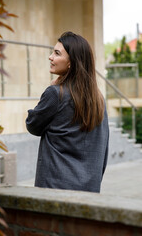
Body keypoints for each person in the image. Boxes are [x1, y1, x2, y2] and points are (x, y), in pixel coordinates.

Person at [26, 31, 109, 193]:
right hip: (89, 190)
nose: (50, 57)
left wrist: (52, 87)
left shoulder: (55, 93)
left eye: (57, 53)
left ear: (72, 62)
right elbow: (103, 149)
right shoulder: (99, 99)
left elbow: (32, 125)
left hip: (54, 189)